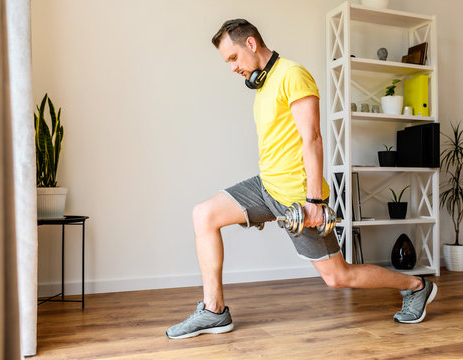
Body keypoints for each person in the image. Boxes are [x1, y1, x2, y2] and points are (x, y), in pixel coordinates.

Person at [166, 19, 437, 339]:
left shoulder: (292, 75)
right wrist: (261, 206)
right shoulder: (263, 83)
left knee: (337, 277)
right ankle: (214, 311)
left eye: (233, 58)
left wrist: (315, 202)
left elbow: (313, 140)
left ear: (250, 44)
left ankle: (416, 286)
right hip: (266, 186)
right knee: (204, 214)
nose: (232, 67)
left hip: (297, 196)